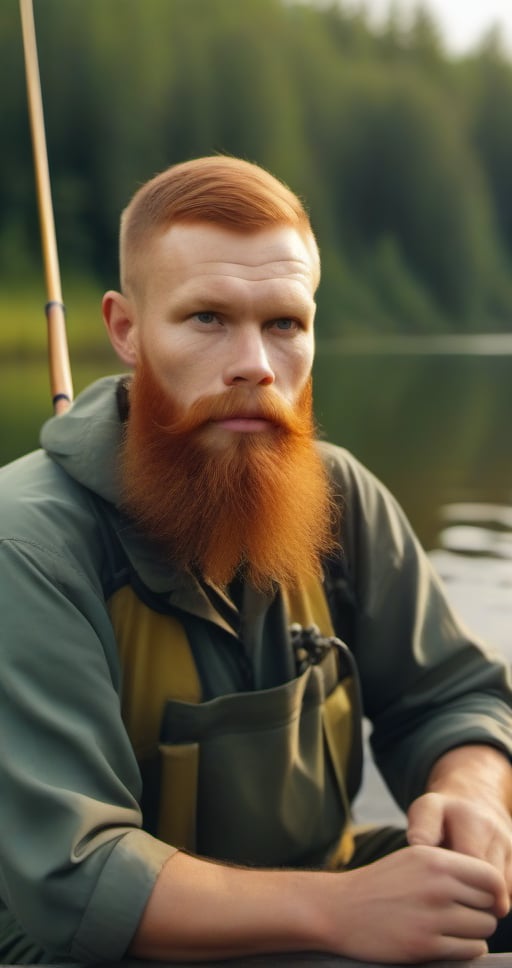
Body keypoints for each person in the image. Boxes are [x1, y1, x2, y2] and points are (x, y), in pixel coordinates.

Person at [1, 155, 512, 966]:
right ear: (125, 331)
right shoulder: (27, 545)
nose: (256, 365)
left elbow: (452, 697)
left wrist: (470, 791)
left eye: (285, 324)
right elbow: (77, 879)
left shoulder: (339, 495)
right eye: (207, 319)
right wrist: (344, 911)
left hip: (325, 886)